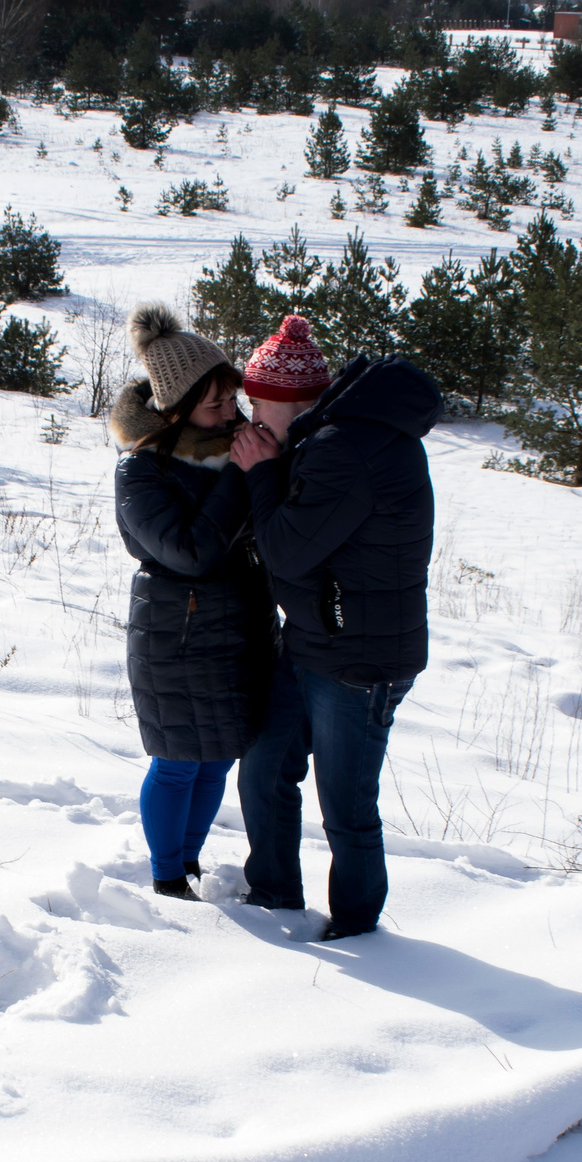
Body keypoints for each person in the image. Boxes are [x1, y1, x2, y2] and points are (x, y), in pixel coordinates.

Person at [229, 315, 444, 941]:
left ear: (289, 400)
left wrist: (262, 473)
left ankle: (357, 930)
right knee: (265, 768)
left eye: (257, 403)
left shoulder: (345, 449)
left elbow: (287, 551)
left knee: (346, 808)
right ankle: (273, 896)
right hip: (315, 639)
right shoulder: (330, 436)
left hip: (359, 660)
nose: (251, 416)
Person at [110, 304, 277, 901]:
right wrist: (240, 475)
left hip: (240, 630)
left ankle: (190, 862)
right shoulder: (141, 470)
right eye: (215, 405)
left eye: (233, 399)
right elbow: (190, 553)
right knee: (180, 759)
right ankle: (167, 877)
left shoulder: (240, 448)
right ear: (176, 407)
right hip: (176, 635)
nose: (230, 413)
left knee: (219, 758)